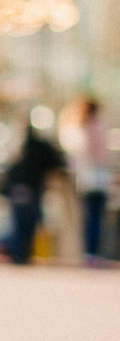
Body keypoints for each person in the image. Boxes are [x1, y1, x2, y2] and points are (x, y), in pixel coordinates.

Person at [1, 118, 65, 265]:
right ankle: (22, 255)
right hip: (32, 187)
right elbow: (55, 162)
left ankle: (17, 255)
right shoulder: (39, 146)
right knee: (28, 224)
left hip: (17, 187)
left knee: (18, 224)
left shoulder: (18, 146)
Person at [65, 97, 112, 263]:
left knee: (88, 217)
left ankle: (89, 253)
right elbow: (102, 154)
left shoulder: (77, 127)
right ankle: (94, 253)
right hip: (98, 178)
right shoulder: (98, 125)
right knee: (97, 217)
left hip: (84, 178)